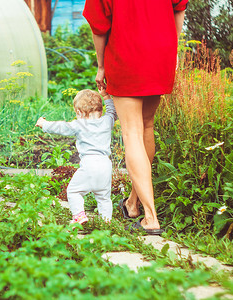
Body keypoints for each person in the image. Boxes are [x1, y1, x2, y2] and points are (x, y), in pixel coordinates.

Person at [83, 0, 188, 235]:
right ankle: (133, 203)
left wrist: (101, 66)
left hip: (127, 53)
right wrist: (172, 47)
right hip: (161, 53)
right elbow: (179, 8)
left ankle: (151, 218)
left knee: (132, 133)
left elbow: (99, 26)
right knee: (146, 127)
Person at [36, 88, 117, 224]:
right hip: (105, 165)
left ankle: (79, 217)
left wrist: (44, 124)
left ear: (79, 112)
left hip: (90, 164)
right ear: (100, 110)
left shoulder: (80, 124)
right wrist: (106, 96)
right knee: (104, 198)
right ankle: (106, 223)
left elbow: (61, 127)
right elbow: (113, 112)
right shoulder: (107, 121)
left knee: (73, 191)